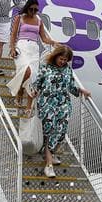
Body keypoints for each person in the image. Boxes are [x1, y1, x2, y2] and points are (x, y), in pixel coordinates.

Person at [30, 45, 91, 178]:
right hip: (47, 104)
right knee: (49, 133)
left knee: (61, 133)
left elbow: (71, 87)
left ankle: (50, 154)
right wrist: (34, 91)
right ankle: (49, 166)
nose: (63, 62)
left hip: (63, 105)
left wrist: (81, 91)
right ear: (56, 56)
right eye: (61, 59)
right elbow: (37, 83)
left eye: (65, 60)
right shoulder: (45, 67)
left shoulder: (68, 70)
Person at [7, 0, 55, 109]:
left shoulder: (39, 21)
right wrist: (12, 48)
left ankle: (21, 91)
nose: (33, 12)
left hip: (34, 48)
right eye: (31, 9)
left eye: (36, 10)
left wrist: (53, 42)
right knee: (26, 70)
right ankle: (20, 90)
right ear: (27, 8)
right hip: (22, 46)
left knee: (32, 75)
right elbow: (13, 35)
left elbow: (44, 38)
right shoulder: (20, 18)